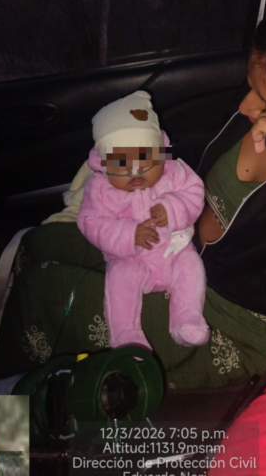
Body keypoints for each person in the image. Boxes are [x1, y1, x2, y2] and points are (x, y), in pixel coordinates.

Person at [0, 0, 266, 388]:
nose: (246, 106)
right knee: (37, 245)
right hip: (177, 247)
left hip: (236, 319)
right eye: (251, 85)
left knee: (42, 295)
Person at [77, 91, 210, 350]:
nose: (135, 170)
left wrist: (173, 208)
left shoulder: (175, 171)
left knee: (192, 267)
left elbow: (195, 193)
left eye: (145, 160)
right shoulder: (100, 188)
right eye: (122, 163)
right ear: (103, 164)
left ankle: (187, 319)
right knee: (119, 279)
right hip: (131, 258)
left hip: (174, 251)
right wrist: (128, 234)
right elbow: (91, 222)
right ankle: (126, 337)